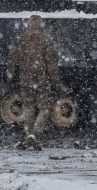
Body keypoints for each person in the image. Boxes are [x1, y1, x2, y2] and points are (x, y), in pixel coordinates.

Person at [8, 15, 62, 147]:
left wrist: (11, 75)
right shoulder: (46, 40)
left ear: (28, 25)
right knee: (45, 108)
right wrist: (56, 80)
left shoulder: (21, 39)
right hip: (41, 81)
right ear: (41, 25)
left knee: (28, 108)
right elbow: (52, 63)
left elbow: (13, 59)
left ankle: (28, 134)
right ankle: (35, 134)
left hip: (25, 81)